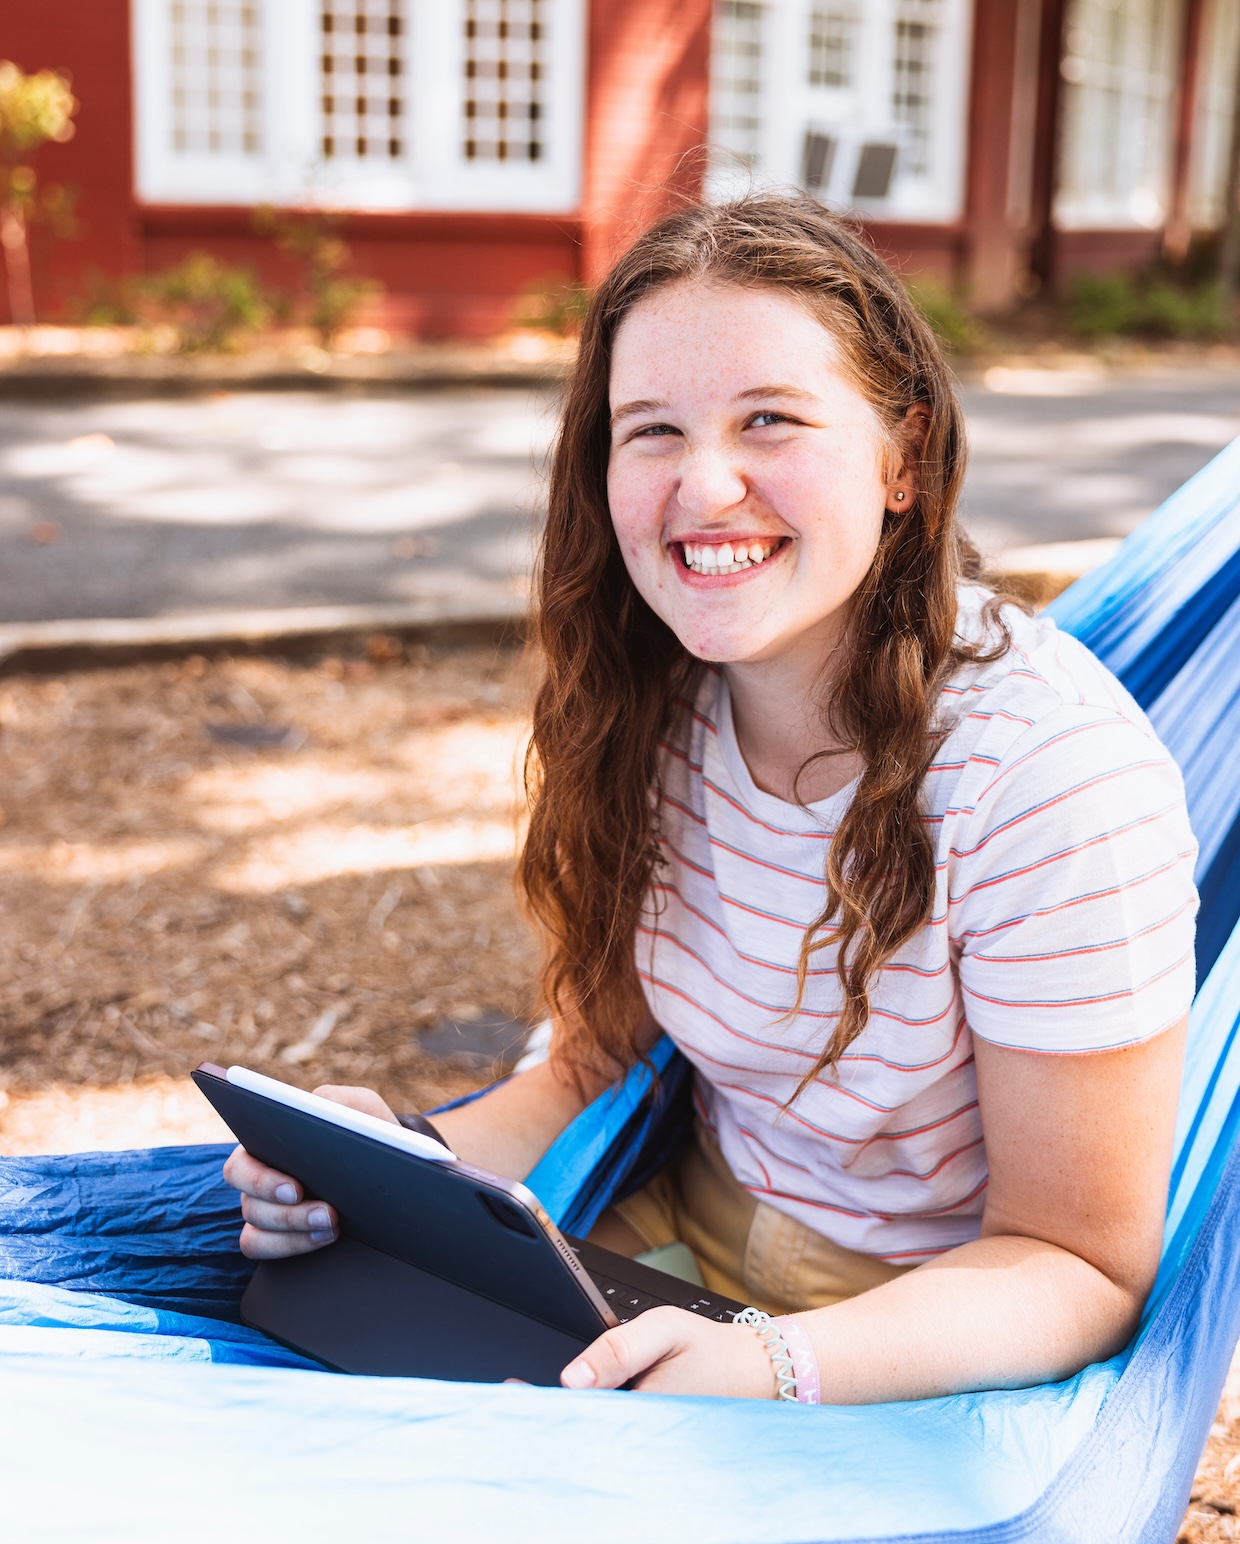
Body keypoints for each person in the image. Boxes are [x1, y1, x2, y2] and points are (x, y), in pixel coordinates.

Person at [224, 196, 1198, 1405]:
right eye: (653, 431)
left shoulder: (1053, 785)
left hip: (924, 1331)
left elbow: (1078, 1260)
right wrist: (389, 1167)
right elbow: (587, 1070)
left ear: (902, 455)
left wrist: (773, 1362)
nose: (705, 483)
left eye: (770, 420)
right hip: (667, 1232)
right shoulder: (650, 697)